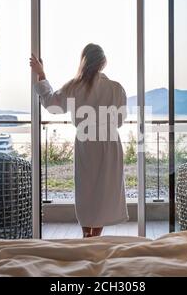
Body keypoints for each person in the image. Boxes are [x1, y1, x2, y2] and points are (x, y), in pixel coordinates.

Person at [30, 44, 128, 238]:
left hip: (86, 141)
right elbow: (119, 120)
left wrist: (41, 73)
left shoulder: (74, 87)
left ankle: (87, 236)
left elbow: (50, 104)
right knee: (104, 190)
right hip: (109, 142)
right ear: (103, 62)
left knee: (86, 190)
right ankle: (94, 237)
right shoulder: (116, 88)